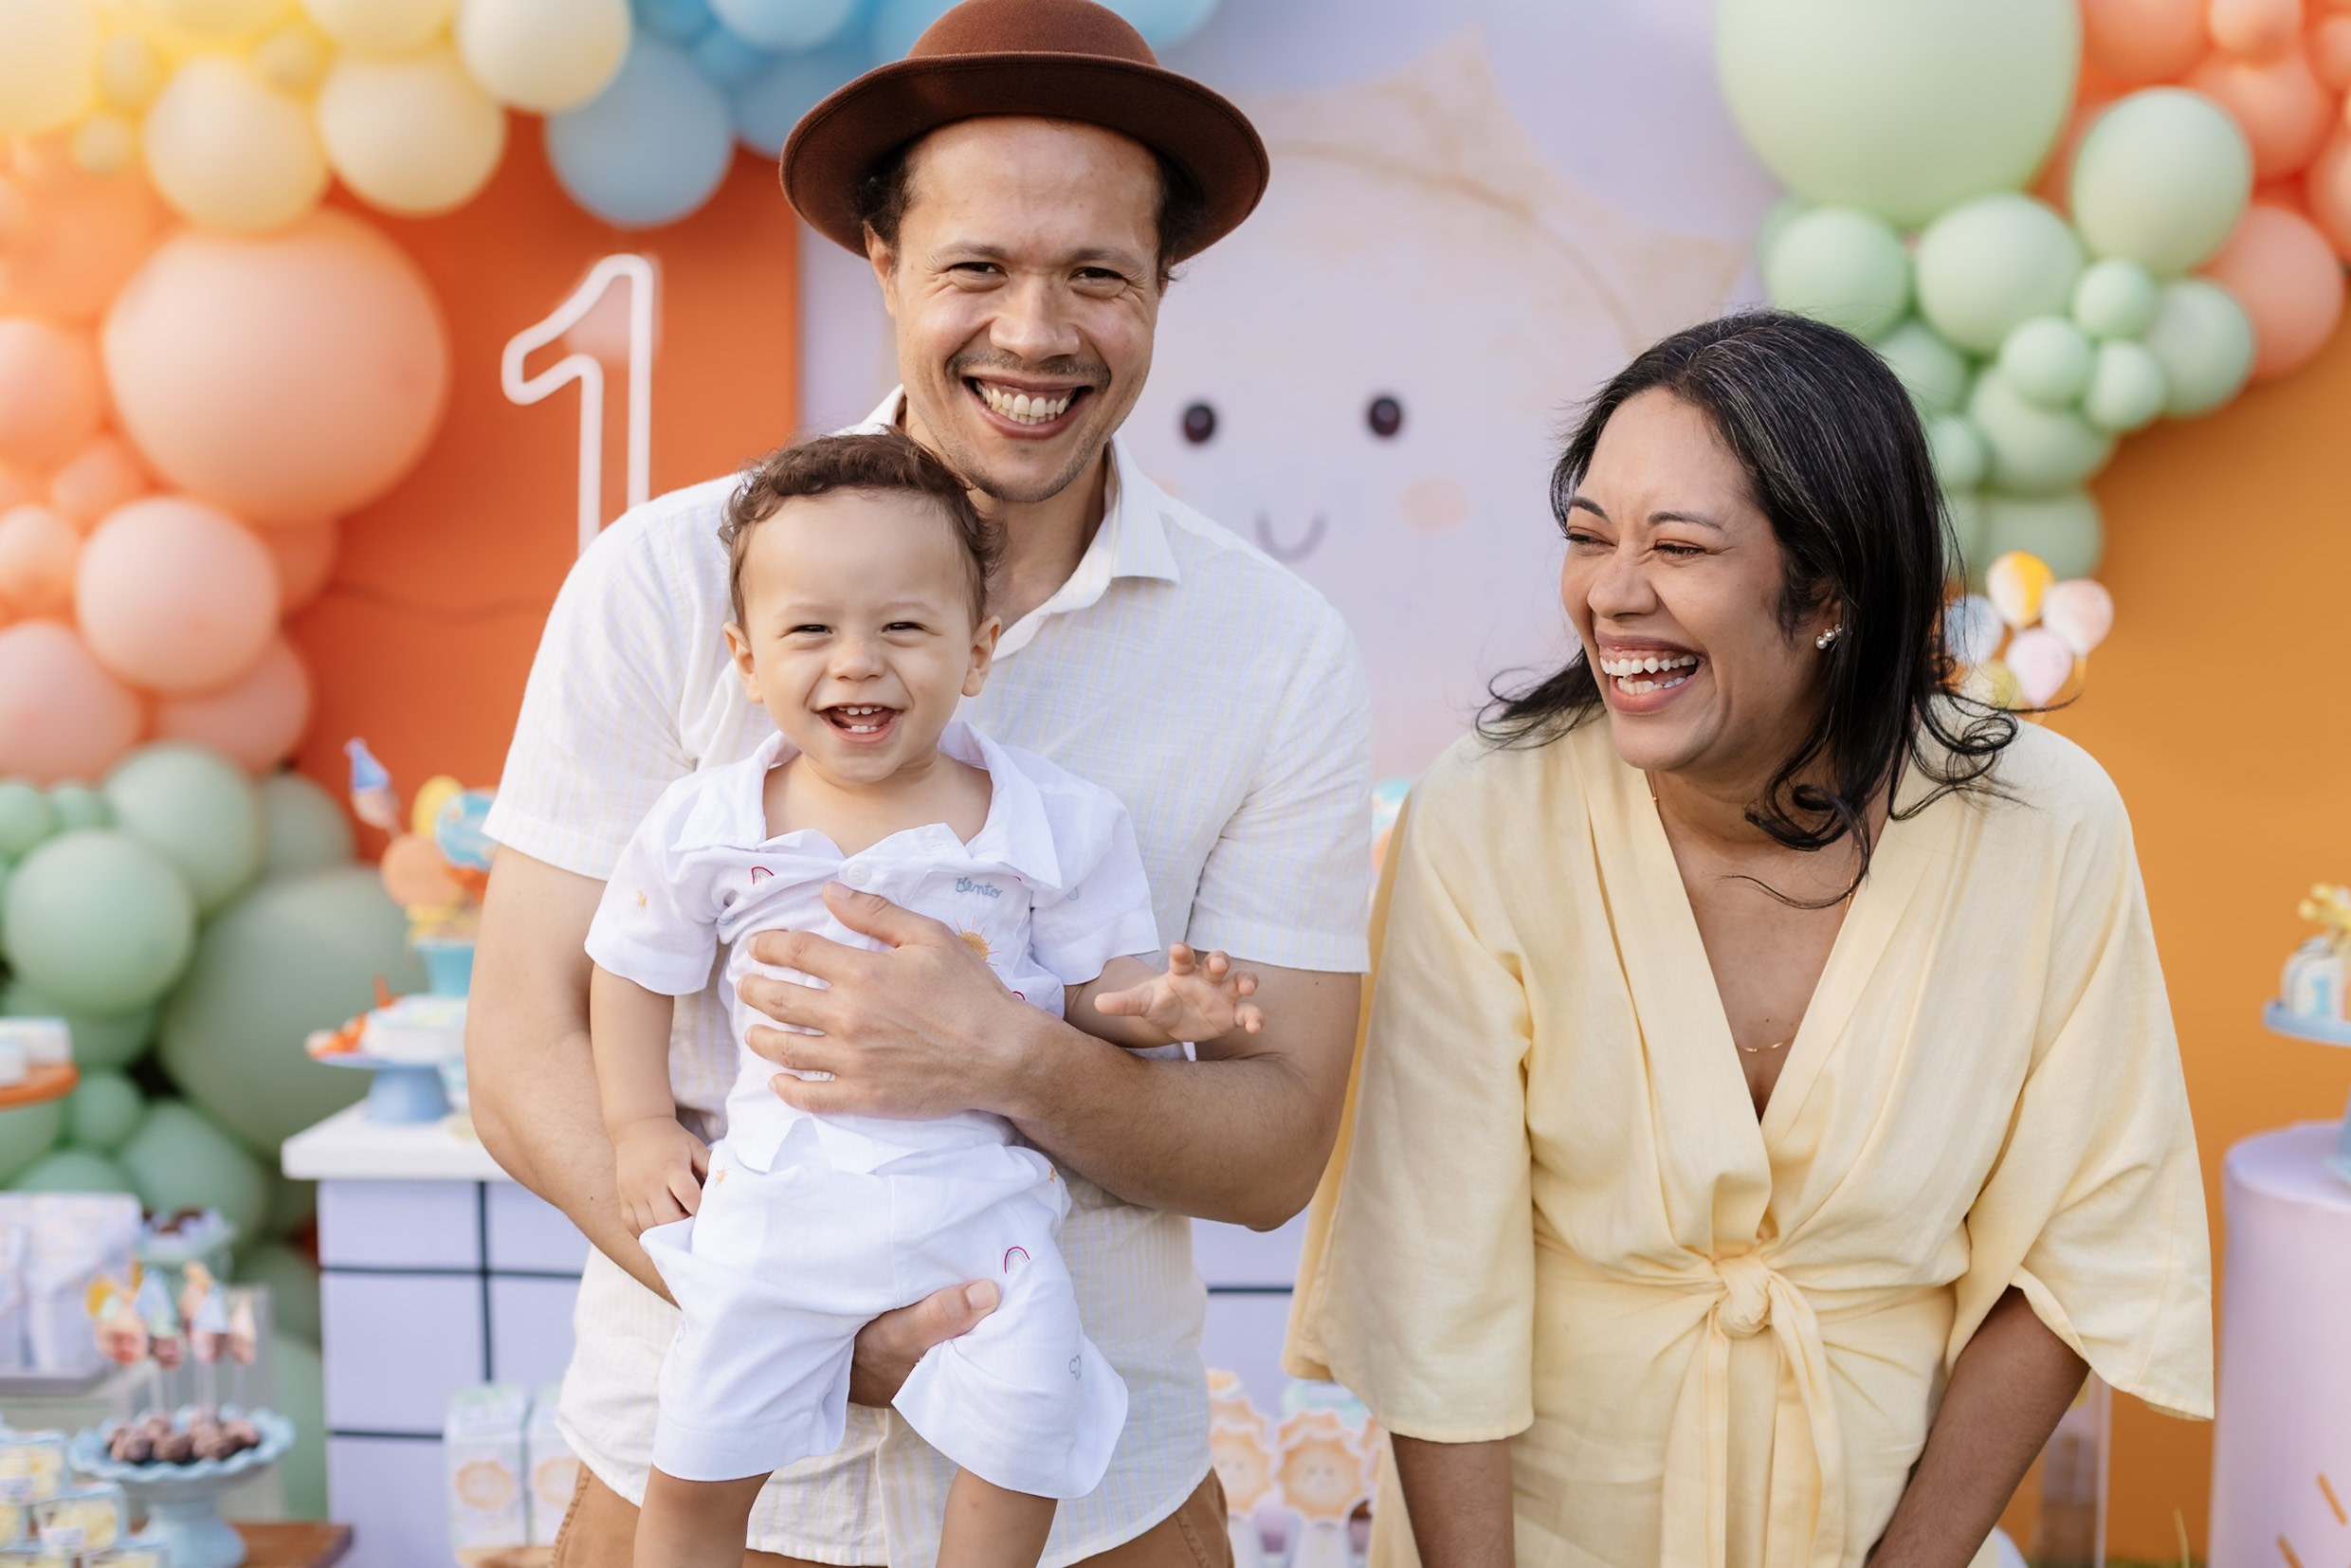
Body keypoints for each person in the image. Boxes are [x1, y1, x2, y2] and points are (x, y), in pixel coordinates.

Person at [467, 1, 1374, 1564]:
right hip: (699, 1464)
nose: (1035, 331)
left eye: (1097, 272)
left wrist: (1014, 1054)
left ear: (1162, 288)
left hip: (1095, 1498)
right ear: (883, 266)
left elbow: (1276, 1145)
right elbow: (518, 1041)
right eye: (977, 269)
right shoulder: (667, 577)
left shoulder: (1274, 648)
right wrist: (789, 1302)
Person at [1285, 312, 2213, 1568]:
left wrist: (1913, 1559)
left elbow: (2079, 1241)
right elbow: (1431, 1270)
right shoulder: (1486, 814)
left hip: (1893, 1526)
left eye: (1677, 544)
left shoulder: (2046, 826)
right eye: (1587, 534)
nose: (1611, 592)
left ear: (1831, 590)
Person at [590, 430, 1268, 1568]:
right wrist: (636, 1125)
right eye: (810, 629)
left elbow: (1092, 997)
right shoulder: (714, 824)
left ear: (978, 650)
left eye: (902, 626)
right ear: (745, 658)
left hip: (975, 1213)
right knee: (698, 1454)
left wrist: (1164, 1009)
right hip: (772, 1213)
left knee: (1025, 1427)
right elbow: (630, 965)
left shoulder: (1047, 822)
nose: (857, 663)